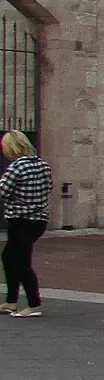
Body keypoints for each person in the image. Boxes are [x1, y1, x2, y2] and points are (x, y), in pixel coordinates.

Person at [0, 130, 52, 318]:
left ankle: (33, 304)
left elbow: (3, 190)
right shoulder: (42, 164)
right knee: (8, 257)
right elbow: (49, 187)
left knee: (21, 262)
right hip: (39, 220)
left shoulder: (17, 167)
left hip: (20, 219)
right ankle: (11, 301)